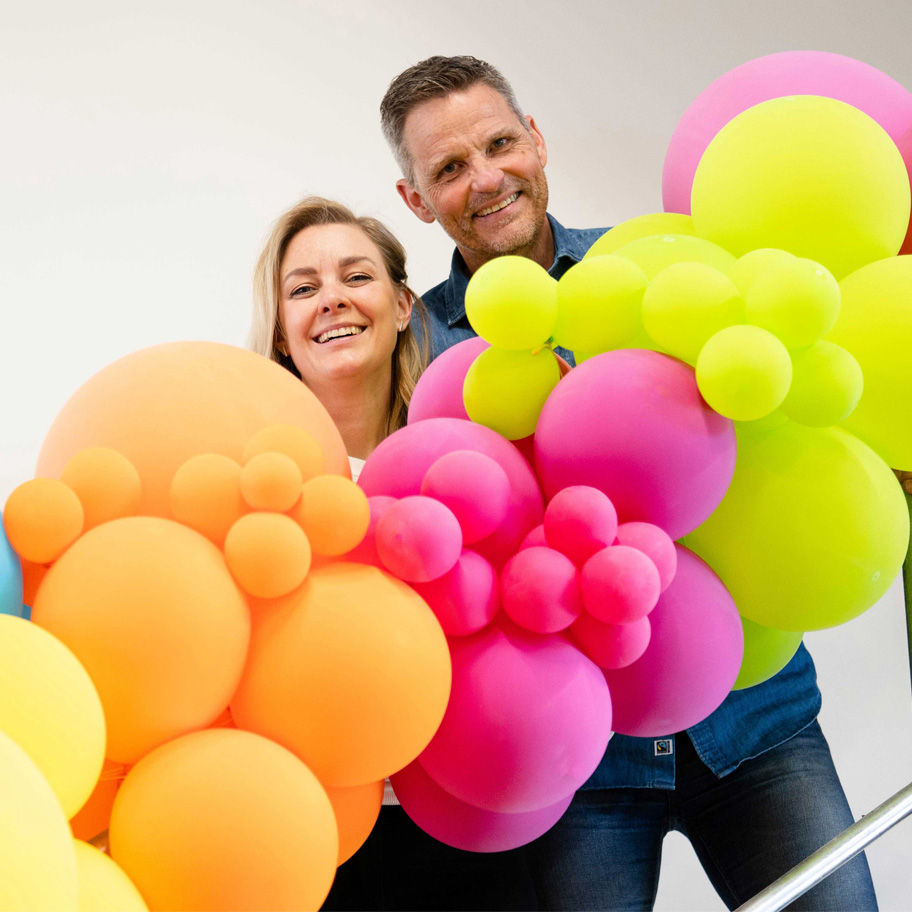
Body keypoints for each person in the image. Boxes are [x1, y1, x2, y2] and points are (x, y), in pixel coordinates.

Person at [381, 55, 879, 911]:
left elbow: (777, 399)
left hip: (757, 719)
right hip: (582, 762)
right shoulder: (417, 348)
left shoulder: (658, 267)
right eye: (451, 169)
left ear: (537, 140)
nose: (488, 178)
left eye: (501, 143)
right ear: (416, 200)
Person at [249, 195, 540, 911]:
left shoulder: (474, 454)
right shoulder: (251, 474)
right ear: (282, 333)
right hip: (307, 830)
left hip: (468, 823)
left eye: (356, 277)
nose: (332, 302)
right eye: (303, 288)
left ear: (405, 304)